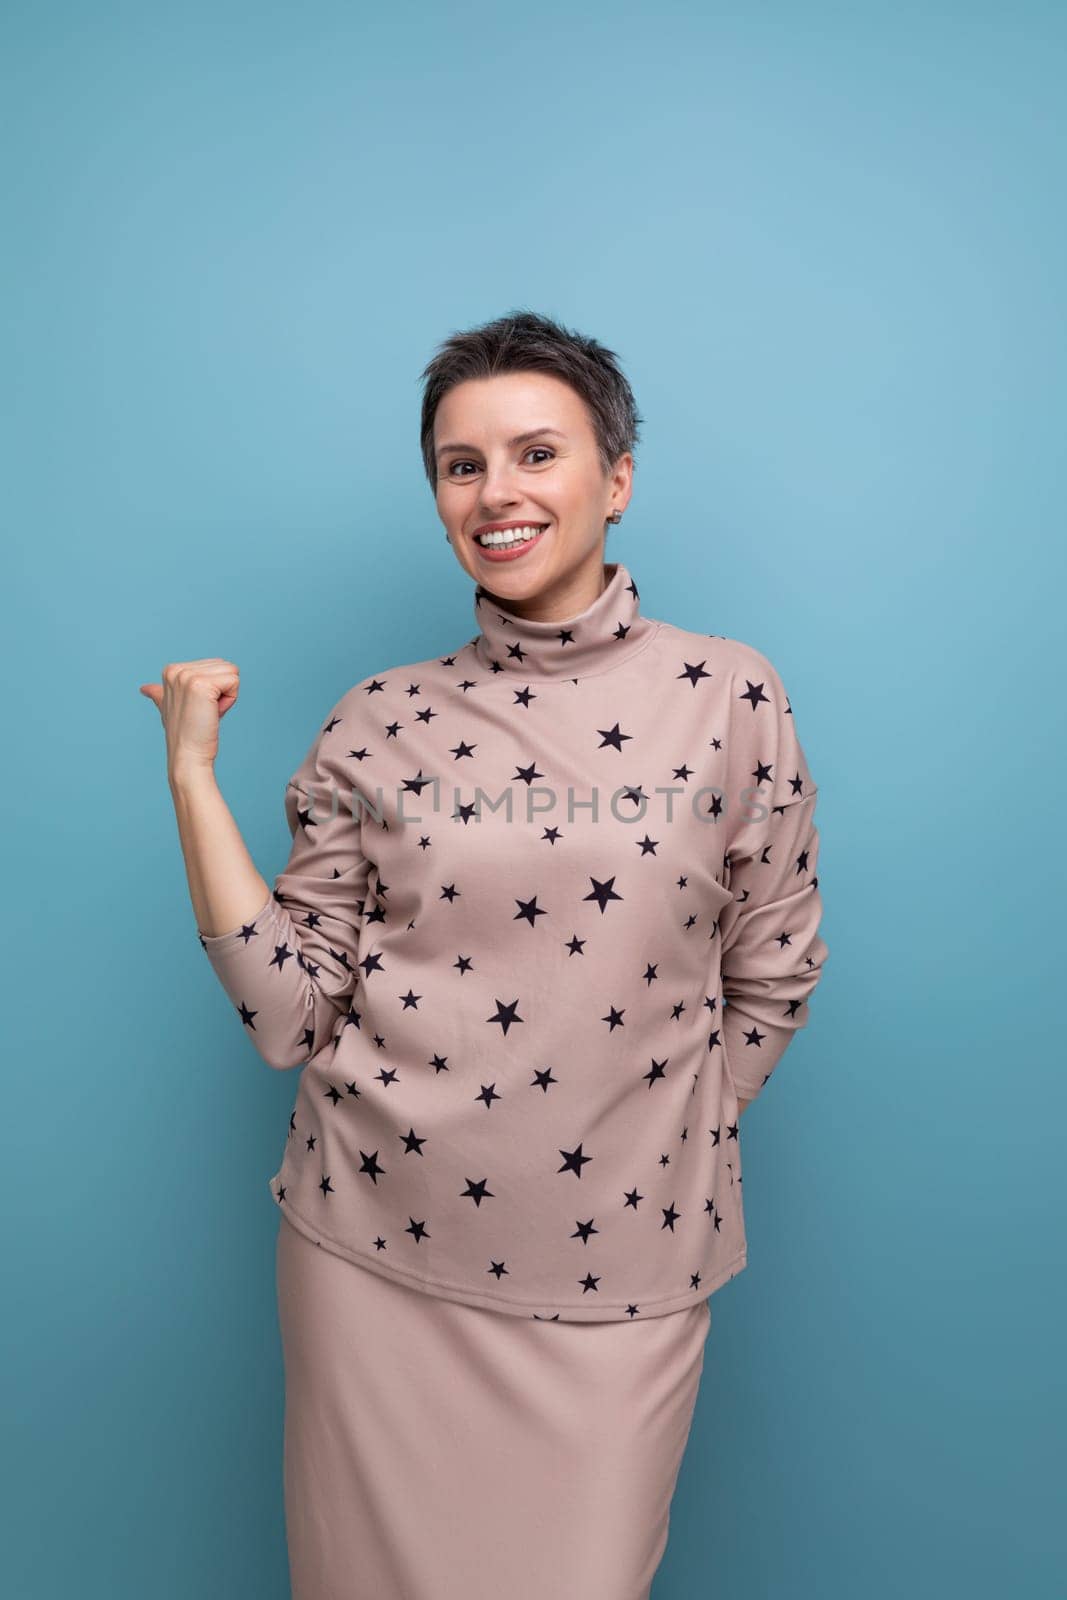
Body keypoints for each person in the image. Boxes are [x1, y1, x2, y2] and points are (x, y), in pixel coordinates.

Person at [141, 309, 829, 1599]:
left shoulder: (730, 696)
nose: (496, 493)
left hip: (628, 1274)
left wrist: (654, 1132)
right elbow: (286, 1018)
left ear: (616, 481)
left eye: (536, 453)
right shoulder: (380, 719)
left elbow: (774, 966)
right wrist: (192, 780)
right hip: (371, 1259)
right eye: (462, 466)